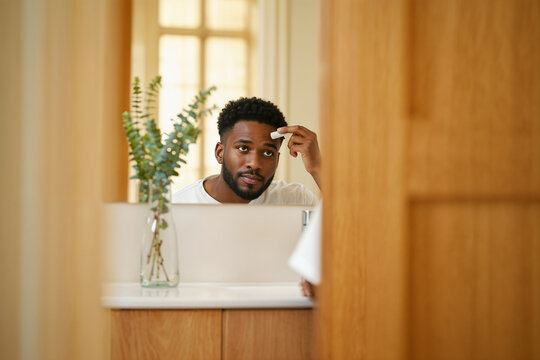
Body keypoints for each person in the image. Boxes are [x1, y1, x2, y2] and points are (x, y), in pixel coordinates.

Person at [172, 97, 321, 205]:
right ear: (219, 153)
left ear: (277, 159)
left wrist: (317, 168)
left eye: (268, 153)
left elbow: (342, 227)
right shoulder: (179, 207)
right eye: (243, 148)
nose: (255, 164)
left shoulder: (294, 200)